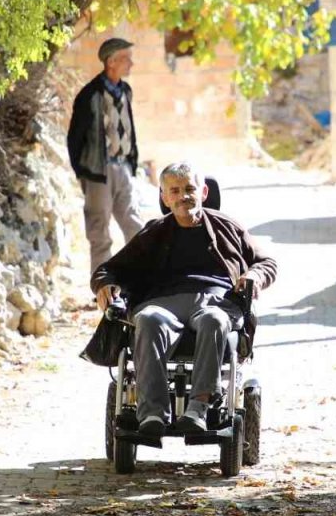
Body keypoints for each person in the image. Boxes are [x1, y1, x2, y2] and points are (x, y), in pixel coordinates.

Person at [91, 163, 278, 438]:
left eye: (189, 189)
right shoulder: (153, 232)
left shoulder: (227, 226)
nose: (183, 196)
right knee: (147, 319)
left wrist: (254, 276)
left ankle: (198, 409)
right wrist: (104, 285)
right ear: (165, 197)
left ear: (203, 192)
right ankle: (152, 413)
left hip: (216, 301)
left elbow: (266, 262)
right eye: (175, 191)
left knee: (214, 320)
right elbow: (109, 269)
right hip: (162, 302)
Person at [68, 37, 145, 272]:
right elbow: (75, 138)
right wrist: (84, 172)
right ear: (111, 62)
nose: (131, 63)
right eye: (126, 59)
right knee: (99, 232)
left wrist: (132, 163)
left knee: (134, 225)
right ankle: (102, 286)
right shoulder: (90, 95)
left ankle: (145, 279)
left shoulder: (126, 91)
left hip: (123, 168)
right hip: (98, 172)